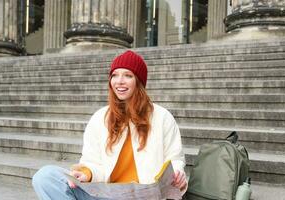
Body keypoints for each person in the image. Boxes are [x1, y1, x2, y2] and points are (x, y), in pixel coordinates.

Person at [32, 50, 187, 199]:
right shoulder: (100, 118)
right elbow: (92, 162)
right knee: (45, 177)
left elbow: (175, 160)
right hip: (106, 194)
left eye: (128, 75)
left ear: (138, 82)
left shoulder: (162, 117)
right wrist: (86, 173)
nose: (119, 81)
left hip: (146, 196)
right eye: (115, 75)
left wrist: (177, 176)